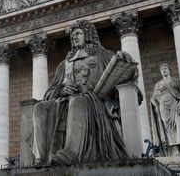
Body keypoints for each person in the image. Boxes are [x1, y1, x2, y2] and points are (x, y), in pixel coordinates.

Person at [32, 19, 132, 166]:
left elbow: (126, 75)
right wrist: (62, 89)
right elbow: (49, 93)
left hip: (93, 103)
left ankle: (70, 153)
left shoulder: (103, 55)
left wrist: (125, 59)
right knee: (39, 107)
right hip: (64, 103)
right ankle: (42, 157)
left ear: (88, 35)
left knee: (77, 101)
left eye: (78, 33)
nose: (75, 37)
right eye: (73, 36)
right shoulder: (65, 63)